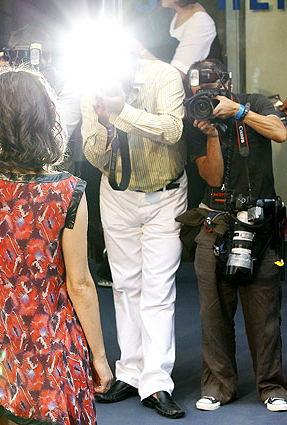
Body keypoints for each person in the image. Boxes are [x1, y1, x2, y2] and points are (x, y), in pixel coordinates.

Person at [0, 68, 113, 425]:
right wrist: (99, 357)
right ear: (46, 118)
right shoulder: (69, 191)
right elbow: (80, 285)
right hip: (54, 347)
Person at [81, 56, 188, 419]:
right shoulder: (92, 81)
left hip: (165, 194)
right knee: (126, 285)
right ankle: (130, 371)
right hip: (117, 194)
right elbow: (92, 154)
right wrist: (105, 126)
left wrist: (122, 112)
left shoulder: (164, 75)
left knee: (158, 288)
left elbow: (172, 130)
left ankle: (156, 381)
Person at [183, 59, 287, 413]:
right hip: (216, 226)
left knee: (264, 315)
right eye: (199, 92)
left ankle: (271, 386)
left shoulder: (254, 102)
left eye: (211, 90)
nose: (206, 98)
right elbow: (213, 178)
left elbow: (280, 132)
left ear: (226, 83)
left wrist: (240, 112)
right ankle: (217, 386)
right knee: (214, 316)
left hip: (260, 227)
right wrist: (212, 134)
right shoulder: (196, 121)